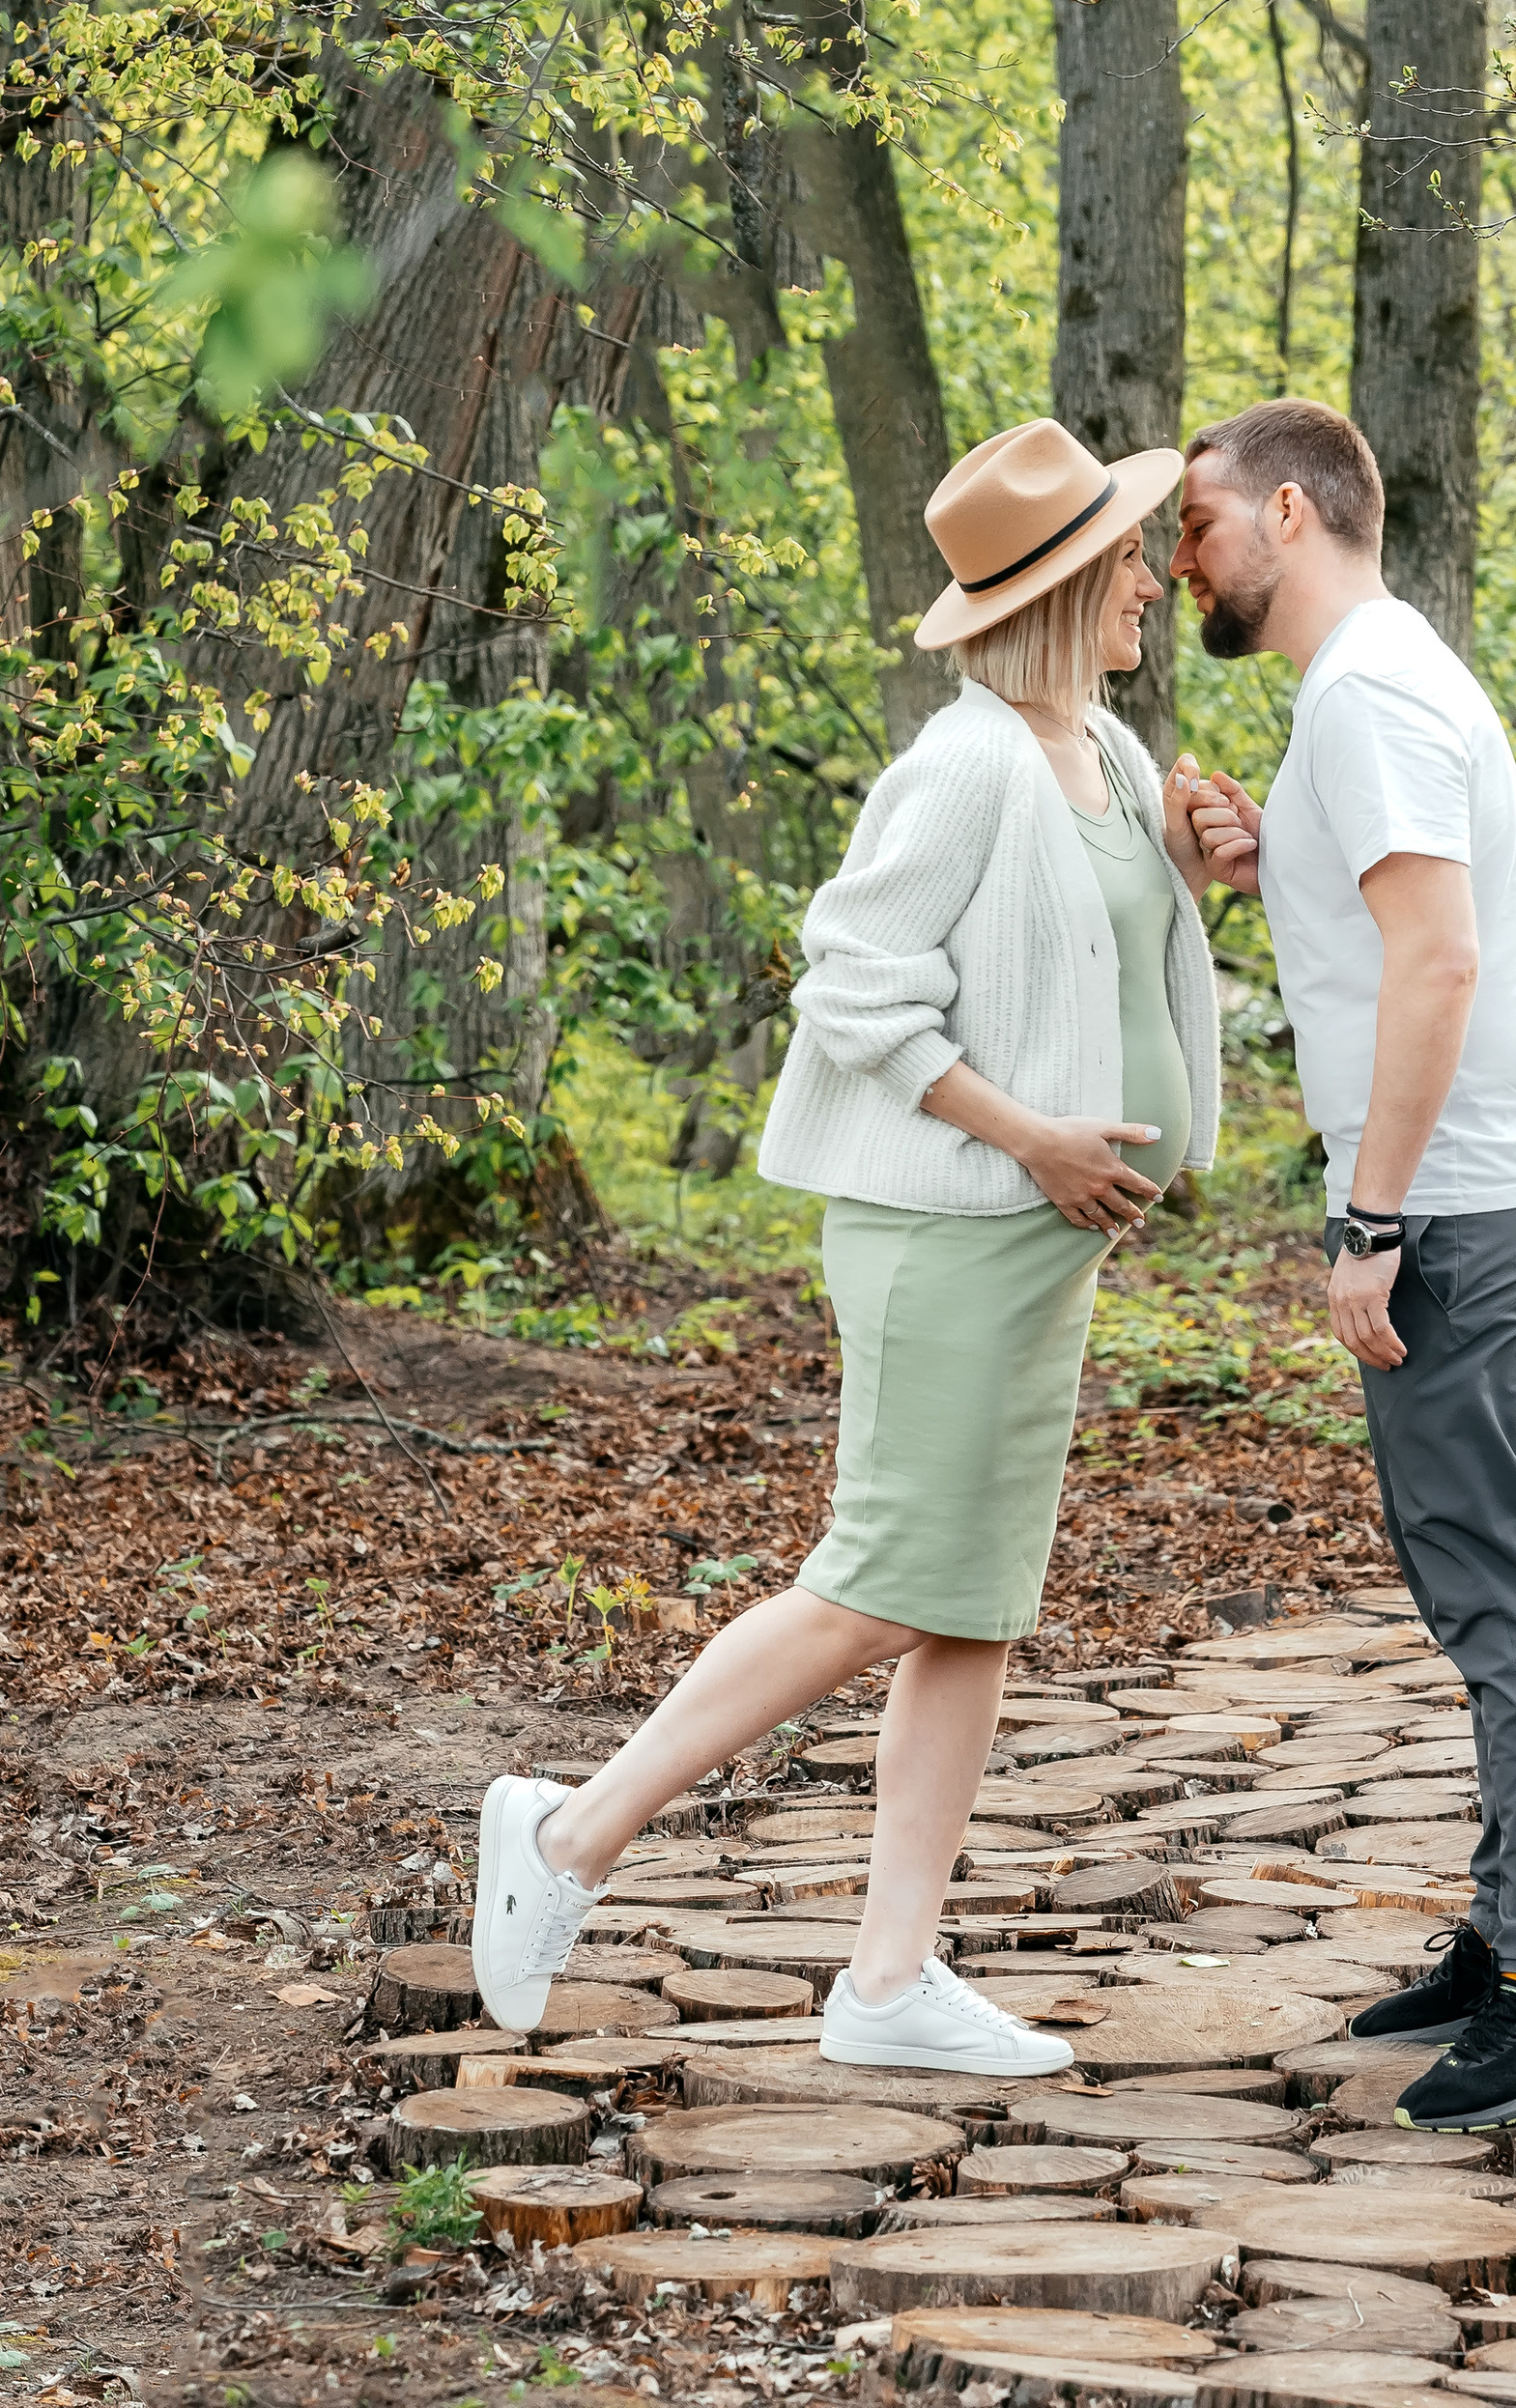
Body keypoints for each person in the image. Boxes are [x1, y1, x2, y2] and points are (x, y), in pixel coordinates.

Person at [472, 417, 1219, 2073]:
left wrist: (1186, 871)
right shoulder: (956, 767)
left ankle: (890, 1983)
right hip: (950, 1227)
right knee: (886, 1582)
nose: (1153, 590)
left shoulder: (1102, 755)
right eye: (1125, 568)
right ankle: (564, 1837)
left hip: (1040, 1251)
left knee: (971, 1606)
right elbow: (853, 985)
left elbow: (1078, 962)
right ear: (1062, 587)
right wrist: (1030, 1138)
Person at [1174, 397, 1516, 2134]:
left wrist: (1369, 1220)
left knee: (1505, 1592)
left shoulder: (1364, 692)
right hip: (1475, 1191)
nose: (1183, 562)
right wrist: (1253, 850)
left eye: (1201, 526)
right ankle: (1515, 1933)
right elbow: (1390, 925)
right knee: (1490, 1573)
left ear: (1290, 514)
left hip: (1455, 1203)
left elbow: (1435, 968)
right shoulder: (1373, 679)